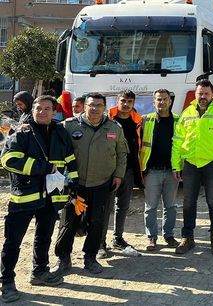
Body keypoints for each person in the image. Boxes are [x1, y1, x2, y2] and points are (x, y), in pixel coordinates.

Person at [0, 96, 78, 303]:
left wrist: (74, 186)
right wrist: (44, 168)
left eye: (46, 109)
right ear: (32, 110)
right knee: (13, 242)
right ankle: (6, 282)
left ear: (54, 112)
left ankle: (40, 272)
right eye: (38, 108)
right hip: (25, 196)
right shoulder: (22, 132)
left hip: (52, 197)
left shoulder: (60, 132)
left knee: (44, 237)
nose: (41, 112)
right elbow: (8, 160)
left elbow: (70, 160)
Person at [54, 93, 128, 275]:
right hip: (75, 185)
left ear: (105, 107)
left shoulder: (114, 128)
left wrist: (118, 175)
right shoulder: (69, 126)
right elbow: (50, 136)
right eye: (91, 105)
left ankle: (90, 257)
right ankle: (63, 258)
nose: (95, 109)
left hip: (102, 183)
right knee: (68, 222)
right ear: (84, 106)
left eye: (99, 105)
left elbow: (121, 154)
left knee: (97, 221)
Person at [172, 79, 213, 255]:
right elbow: (178, 141)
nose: (203, 97)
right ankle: (188, 238)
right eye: (200, 93)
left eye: (206, 94)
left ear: (212, 95)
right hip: (190, 163)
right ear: (195, 93)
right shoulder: (186, 113)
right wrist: (175, 165)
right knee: (188, 202)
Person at [100, 90, 143, 257]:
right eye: (123, 101)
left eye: (129, 102)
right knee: (106, 208)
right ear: (117, 101)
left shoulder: (137, 121)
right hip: (109, 170)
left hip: (129, 170)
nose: (126, 104)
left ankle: (118, 238)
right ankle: (100, 242)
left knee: (123, 207)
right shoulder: (107, 119)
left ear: (133, 104)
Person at [140, 89, 180, 251]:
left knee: (170, 206)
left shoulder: (179, 120)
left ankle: (168, 235)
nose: (162, 102)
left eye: (165, 99)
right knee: (150, 206)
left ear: (170, 101)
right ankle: (152, 237)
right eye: (158, 99)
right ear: (153, 102)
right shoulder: (145, 120)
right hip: (152, 170)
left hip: (172, 170)